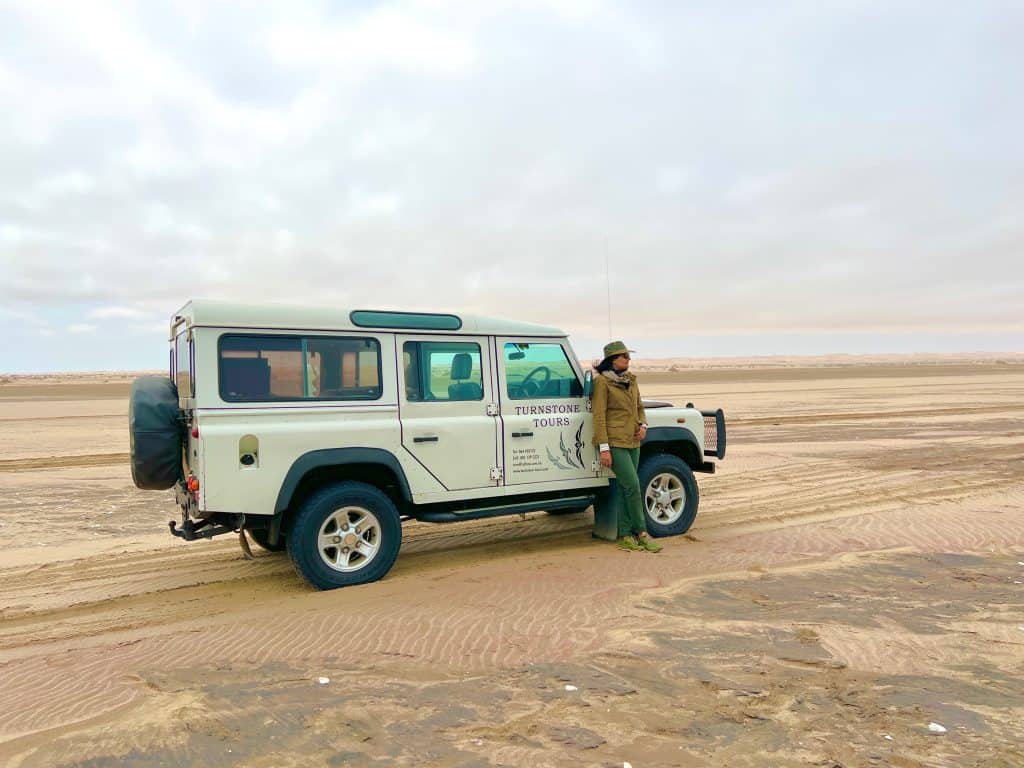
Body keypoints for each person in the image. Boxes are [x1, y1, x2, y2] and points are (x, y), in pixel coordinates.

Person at [592, 341, 662, 553]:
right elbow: (599, 416)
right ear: (613, 360)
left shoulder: (631, 381)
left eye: (628, 357)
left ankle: (624, 534)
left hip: (633, 440)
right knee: (633, 484)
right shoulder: (602, 383)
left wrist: (644, 425)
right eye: (624, 357)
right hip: (615, 442)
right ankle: (641, 532)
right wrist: (604, 447)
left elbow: (639, 406)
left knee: (625, 487)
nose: (628, 360)